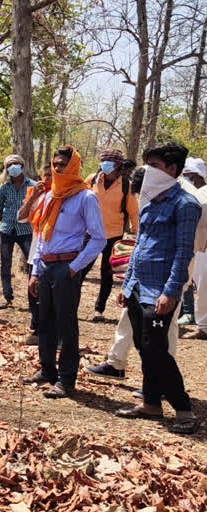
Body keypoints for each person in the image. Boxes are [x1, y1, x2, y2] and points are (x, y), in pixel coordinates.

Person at [115, 142, 200, 434]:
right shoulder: (150, 200)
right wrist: (127, 284)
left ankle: (183, 408)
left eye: (155, 166)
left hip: (161, 290)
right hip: (139, 285)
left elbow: (183, 251)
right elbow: (139, 244)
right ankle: (151, 403)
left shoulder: (185, 205)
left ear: (172, 169)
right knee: (142, 345)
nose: (147, 171)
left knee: (156, 350)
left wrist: (171, 291)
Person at [24, 146, 105, 398]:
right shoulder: (51, 196)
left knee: (66, 325)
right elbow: (42, 236)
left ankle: (67, 379)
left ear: (74, 167)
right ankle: (47, 370)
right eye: (55, 164)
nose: (58, 169)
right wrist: (35, 271)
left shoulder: (85, 197)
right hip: (46, 265)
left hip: (66, 266)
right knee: (44, 321)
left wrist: (74, 268)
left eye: (63, 165)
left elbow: (98, 238)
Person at [79, 149, 138, 322]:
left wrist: (138, 234)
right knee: (80, 269)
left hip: (113, 235)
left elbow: (133, 212)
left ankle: (99, 310)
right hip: (90, 233)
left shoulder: (126, 185)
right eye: (103, 161)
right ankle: (71, 304)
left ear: (118, 165)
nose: (104, 165)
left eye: (109, 162)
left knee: (106, 273)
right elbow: (78, 198)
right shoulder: (92, 180)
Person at [0, 154, 35, 310]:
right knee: (5, 264)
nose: (13, 167)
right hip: (7, 230)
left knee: (32, 263)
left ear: (22, 166)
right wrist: (7, 221)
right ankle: (7, 297)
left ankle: (33, 297)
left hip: (26, 230)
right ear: (6, 169)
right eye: (10, 165)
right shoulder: (3, 188)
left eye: (16, 164)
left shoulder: (32, 186)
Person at [17, 163, 52, 344]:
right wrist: (34, 197)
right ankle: (37, 329)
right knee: (33, 293)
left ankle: (45, 333)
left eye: (51, 175)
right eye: (45, 175)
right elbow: (21, 216)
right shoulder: (36, 195)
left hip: (54, 254)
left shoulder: (64, 196)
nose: (47, 178)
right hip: (35, 252)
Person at [179, 157, 207, 332]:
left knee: (203, 284)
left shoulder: (202, 194)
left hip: (203, 247)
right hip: (197, 246)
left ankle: (203, 327)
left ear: (196, 176)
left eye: (188, 176)